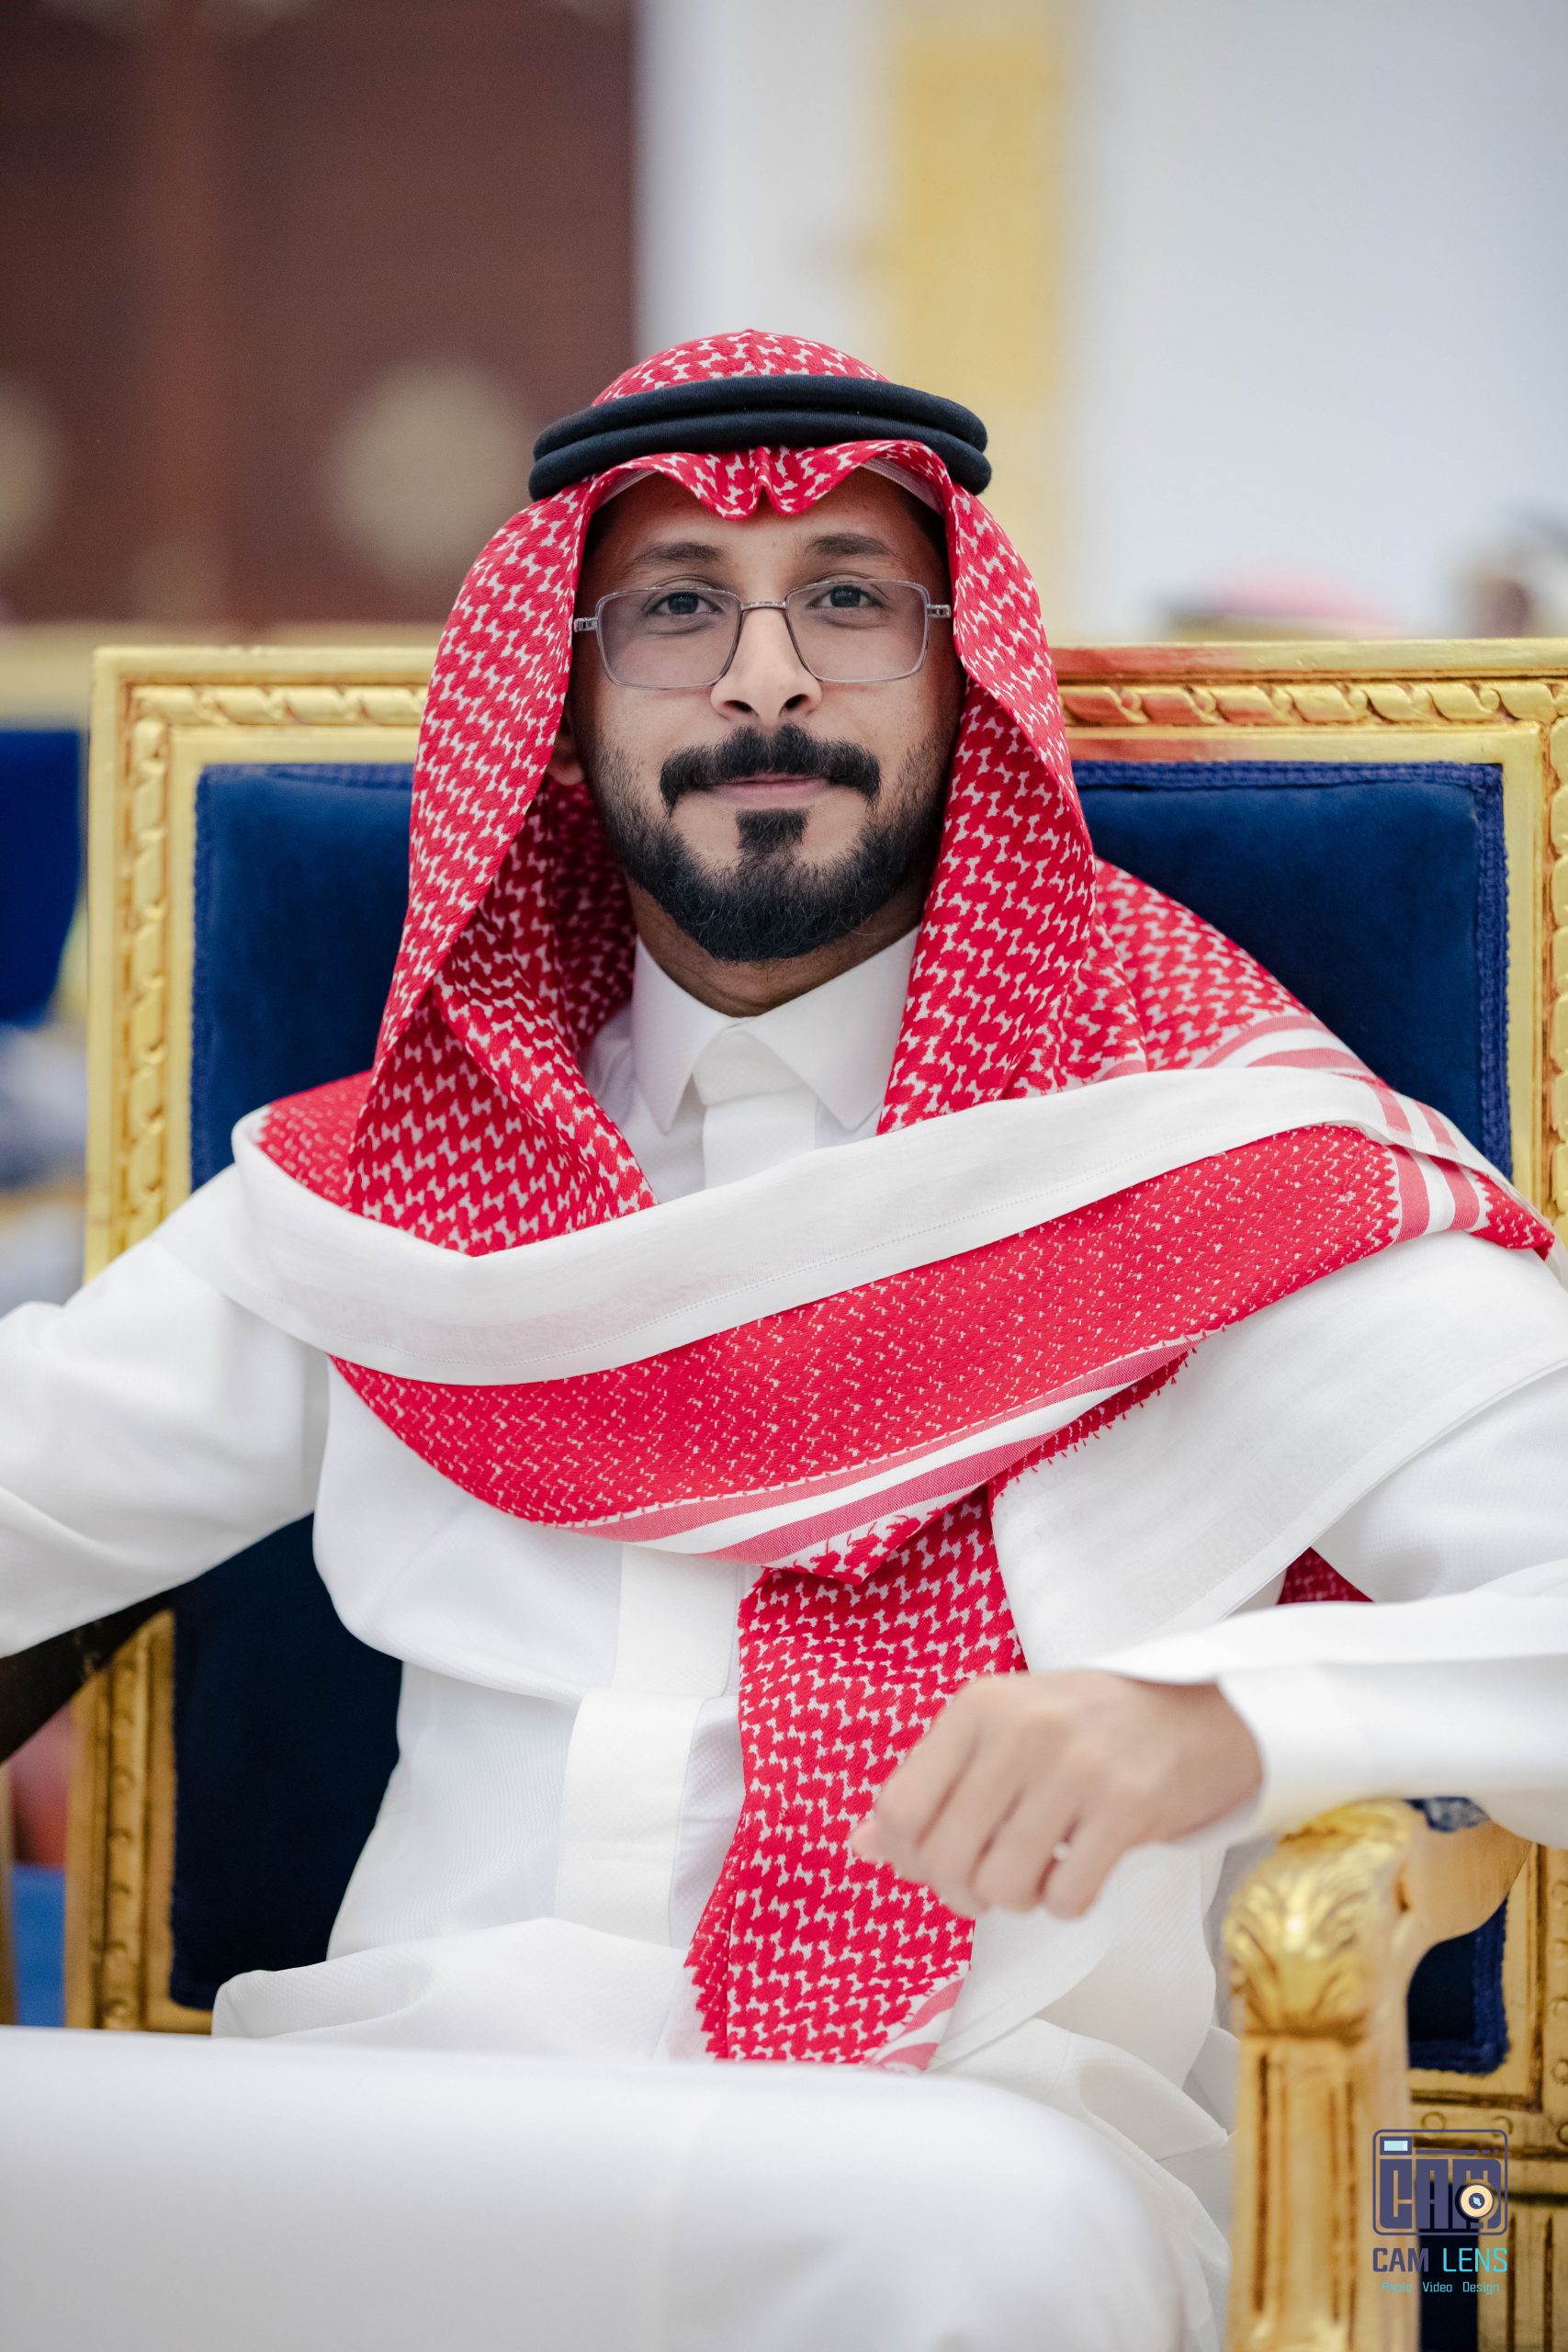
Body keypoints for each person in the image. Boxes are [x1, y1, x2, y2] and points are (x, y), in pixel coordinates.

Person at [4, 331, 1568, 2351]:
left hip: (951, 2179)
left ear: (963, 681)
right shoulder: (386, 1208)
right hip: (397, 2140)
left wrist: (1214, 1711)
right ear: (559, 707)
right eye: (675, 609)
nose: (764, 680)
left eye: (846, 600)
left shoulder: (1205, 1167)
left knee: (949, 2237)